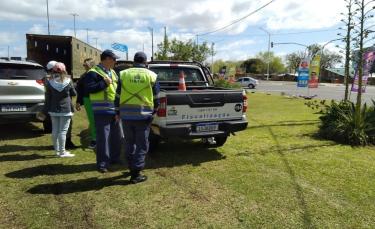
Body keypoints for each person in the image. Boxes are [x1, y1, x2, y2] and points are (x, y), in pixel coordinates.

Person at [115, 51, 159, 184]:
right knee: (142, 144)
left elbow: (117, 95)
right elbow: (156, 96)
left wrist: (117, 111)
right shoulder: (151, 75)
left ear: (133, 61)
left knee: (129, 142)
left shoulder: (123, 74)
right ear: (145, 62)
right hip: (144, 115)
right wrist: (155, 110)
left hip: (126, 115)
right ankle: (136, 173)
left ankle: (130, 167)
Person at [85, 50, 122, 173]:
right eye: (114, 59)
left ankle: (115, 159)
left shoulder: (113, 72)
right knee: (103, 139)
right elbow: (89, 89)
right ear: (106, 59)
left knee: (116, 137)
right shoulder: (93, 73)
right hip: (101, 111)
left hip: (114, 110)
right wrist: (103, 84)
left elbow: (116, 91)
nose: (115, 62)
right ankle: (102, 164)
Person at [43, 62, 76, 157]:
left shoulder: (49, 82)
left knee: (55, 130)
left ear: (53, 71)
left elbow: (48, 97)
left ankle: (57, 151)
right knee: (63, 131)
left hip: (53, 109)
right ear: (64, 70)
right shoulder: (68, 81)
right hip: (66, 109)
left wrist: (45, 109)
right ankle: (62, 152)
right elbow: (73, 93)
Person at [76, 58, 97, 149]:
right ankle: (94, 138)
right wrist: (78, 102)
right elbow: (80, 90)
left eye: (86, 65)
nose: (84, 66)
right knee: (92, 120)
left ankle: (95, 139)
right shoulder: (84, 75)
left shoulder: (96, 74)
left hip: (96, 100)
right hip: (87, 99)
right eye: (84, 65)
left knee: (94, 120)